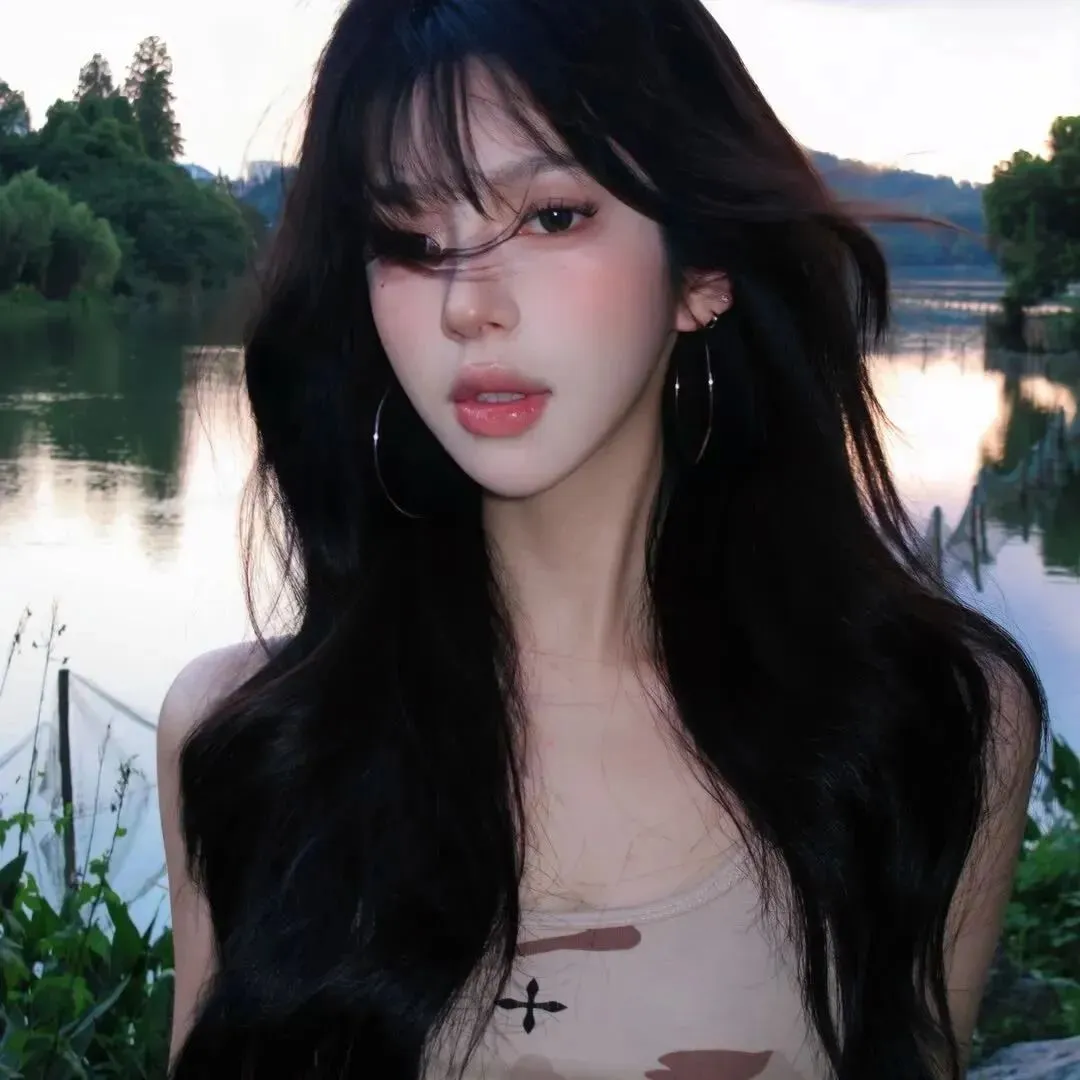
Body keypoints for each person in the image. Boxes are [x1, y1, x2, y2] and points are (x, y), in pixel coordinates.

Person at [156, 0, 1048, 1077]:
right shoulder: (245, 744)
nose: (468, 305)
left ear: (701, 268)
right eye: (412, 239)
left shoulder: (933, 731)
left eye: (552, 217)